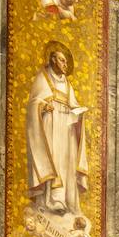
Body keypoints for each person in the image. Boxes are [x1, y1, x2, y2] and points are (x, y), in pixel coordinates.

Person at [26, 42, 88, 215]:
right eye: (62, 60)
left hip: (66, 130)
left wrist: (79, 114)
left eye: (66, 61)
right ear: (53, 60)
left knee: (66, 162)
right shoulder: (43, 78)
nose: (65, 64)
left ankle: (68, 200)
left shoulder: (68, 85)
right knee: (54, 159)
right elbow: (33, 103)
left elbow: (74, 105)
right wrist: (42, 106)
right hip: (50, 126)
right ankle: (52, 201)